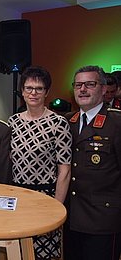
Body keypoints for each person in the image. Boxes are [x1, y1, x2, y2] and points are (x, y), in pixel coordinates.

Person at [8, 66, 72, 260]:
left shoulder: (58, 123)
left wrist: (56, 208)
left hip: (45, 199)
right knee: (18, 251)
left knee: (44, 253)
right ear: (22, 92)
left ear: (47, 92)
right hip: (17, 198)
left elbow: (65, 170)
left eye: (39, 88)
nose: (33, 93)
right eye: (29, 88)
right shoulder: (12, 122)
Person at [63, 65, 121, 260]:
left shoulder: (116, 124)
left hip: (103, 220)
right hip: (71, 218)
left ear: (104, 89)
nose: (83, 89)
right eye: (78, 85)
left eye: (90, 84)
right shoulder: (67, 122)